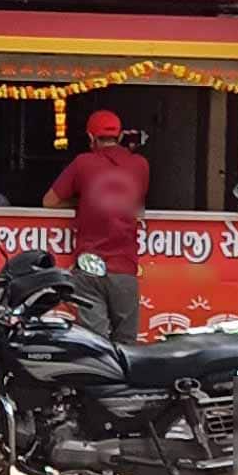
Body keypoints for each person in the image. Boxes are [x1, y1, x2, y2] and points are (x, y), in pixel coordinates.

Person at [43, 109, 149, 344]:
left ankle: (94, 380)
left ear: (91, 138)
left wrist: (82, 202)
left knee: (93, 342)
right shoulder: (140, 165)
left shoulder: (83, 163)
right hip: (124, 265)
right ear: (120, 136)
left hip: (89, 264)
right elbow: (136, 205)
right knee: (126, 342)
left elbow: (49, 201)